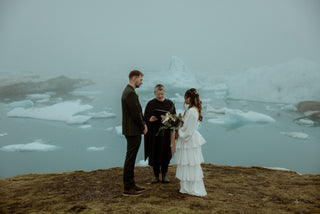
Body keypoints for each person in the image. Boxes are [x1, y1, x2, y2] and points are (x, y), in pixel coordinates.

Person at [175, 88, 207, 197]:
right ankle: (186, 187)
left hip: (188, 140)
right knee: (187, 163)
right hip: (188, 139)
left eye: (185, 97)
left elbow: (188, 129)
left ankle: (191, 187)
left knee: (189, 163)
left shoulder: (192, 111)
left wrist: (177, 132)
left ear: (189, 98)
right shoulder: (192, 109)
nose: (185, 100)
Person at [121, 70, 148, 196]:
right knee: (130, 159)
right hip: (133, 131)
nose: (141, 82)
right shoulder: (130, 93)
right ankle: (128, 187)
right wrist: (142, 127)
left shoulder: (129, 92)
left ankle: (132, 185)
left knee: (131, 158)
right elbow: (135, 114)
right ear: (134, 78)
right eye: (141, 80)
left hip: (131, 130)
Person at [144, 84, 176, 183]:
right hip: (154, 134)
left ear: (164, 93)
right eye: (158, 94)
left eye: (161, 94)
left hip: (165, 134)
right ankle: (156, 175)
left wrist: (169, 119)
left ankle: (165, 175)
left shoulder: (170, 103)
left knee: (165, 153)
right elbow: (144, 117)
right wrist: (150, 119)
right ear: (155, 93)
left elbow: (174, 118)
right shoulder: (150, 104)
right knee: (155, 153)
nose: (160, 96)